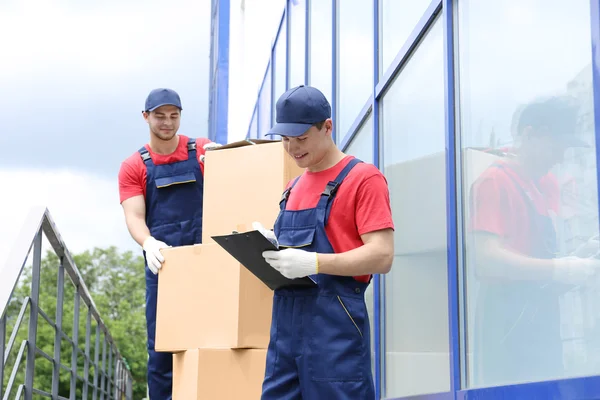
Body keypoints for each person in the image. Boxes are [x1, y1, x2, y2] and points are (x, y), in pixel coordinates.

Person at [253, 85, 395, 399]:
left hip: (335, 337)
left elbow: (382, 255)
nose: (292, 148)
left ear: (327, 126)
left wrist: (314, 262)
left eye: (301, 138)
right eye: (285, 139)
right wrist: (269, 248)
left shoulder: (363, 179)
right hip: (284, 339)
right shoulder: (292, 188)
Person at [467, 95, 600, 386]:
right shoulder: (494, 182)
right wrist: (560, 269)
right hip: (506, 324)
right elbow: (487, 258)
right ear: (530, 134)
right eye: (557, 146)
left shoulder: (547, 183)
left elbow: (538, 254)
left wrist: (580, 255)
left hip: (543, 319)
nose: (561, 157)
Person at [118, 88, 219, 400]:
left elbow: (235, 184)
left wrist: (224, 159)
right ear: (146, 117)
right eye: (160, 116)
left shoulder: (200, 150)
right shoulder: (134, 165)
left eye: (174, 115)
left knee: (212, 339)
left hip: (208, 261)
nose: (167, 122)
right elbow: (135, 216)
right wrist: (148, 243)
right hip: (164, 265)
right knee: (161, 348)